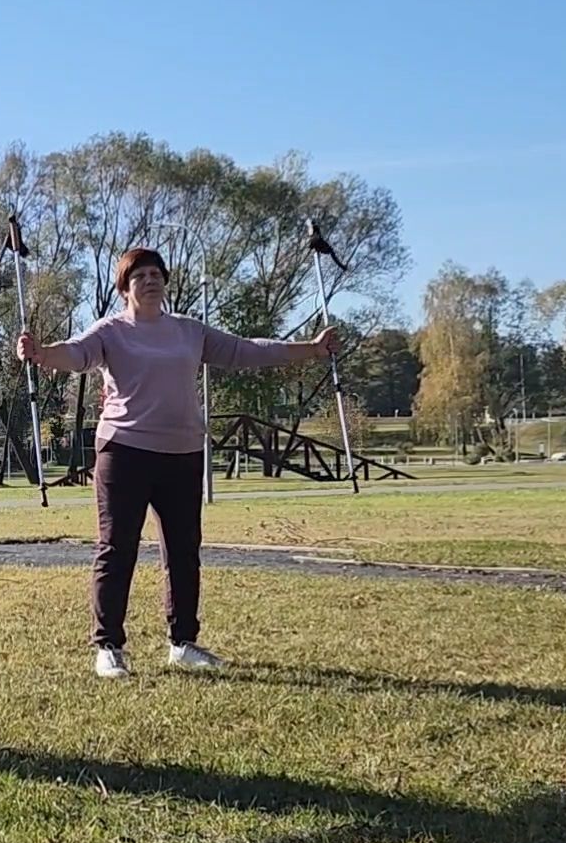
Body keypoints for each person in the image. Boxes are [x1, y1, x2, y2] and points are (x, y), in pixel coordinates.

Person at [17, 247, 337, 679]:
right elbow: (76, 355)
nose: (149, 281)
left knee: (184, 552)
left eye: (156, 274)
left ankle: (183, 643)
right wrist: (41, 352)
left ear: (165, 282)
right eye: (139, 276)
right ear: (125, 288)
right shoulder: (111, 331)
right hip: (124, 452)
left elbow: (247, 351)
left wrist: (311, 350)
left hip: (183, 454)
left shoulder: (189, 331)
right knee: (117, 548)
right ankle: (108, 646)